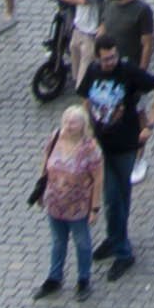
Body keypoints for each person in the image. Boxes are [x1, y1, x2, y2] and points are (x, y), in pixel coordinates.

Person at [31, 98, 105, 297]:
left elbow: (98, 179)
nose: (68, 126)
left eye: (73, 122)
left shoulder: (89, 148)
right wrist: (41, 189)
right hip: (55, 202)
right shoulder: (55, 137)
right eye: (66, 121)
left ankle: (83, 280)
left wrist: (94, 208)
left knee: (82, 242)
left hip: (78, 206)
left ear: (83, 125)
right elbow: (45, 162)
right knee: (57, 241)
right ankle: (54, 277)